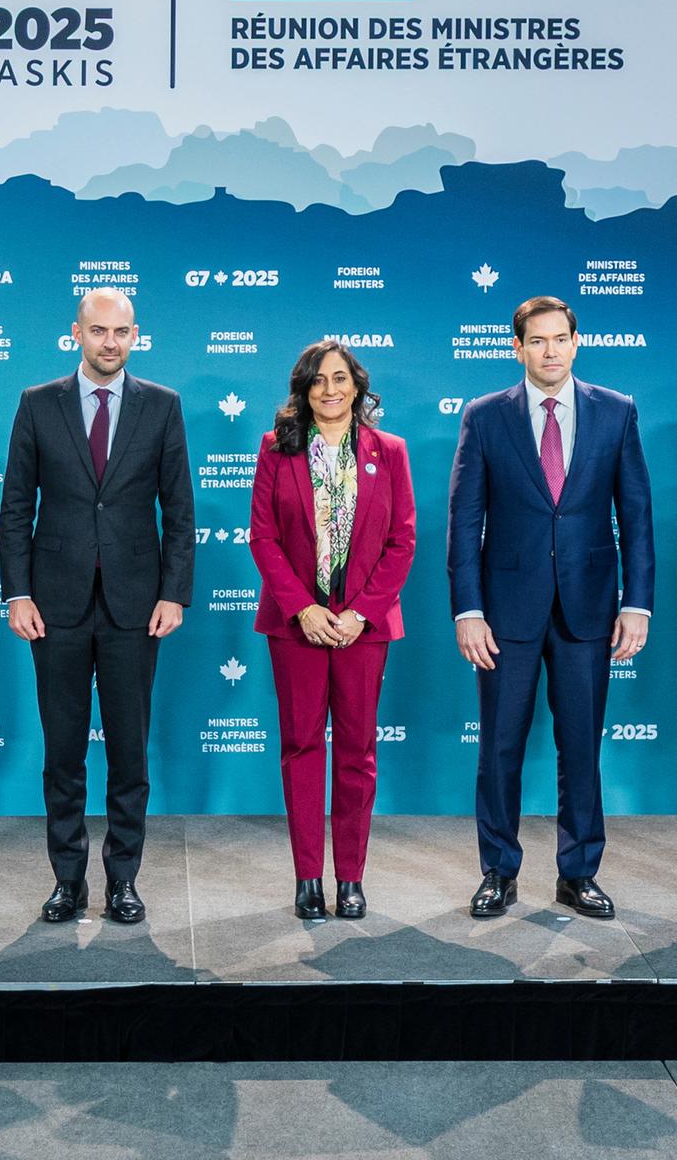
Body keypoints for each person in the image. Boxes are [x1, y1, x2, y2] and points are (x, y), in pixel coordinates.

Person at [448, 296, 654, 920]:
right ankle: (498, 872)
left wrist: (637, 603)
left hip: (589, 609)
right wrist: (468, 610)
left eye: (560, 338)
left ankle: (578, 872)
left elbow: (637, 516)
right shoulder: (485, 416)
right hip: (505, 613)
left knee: (581, 746)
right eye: (537, 341)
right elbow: (464, 521)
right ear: (517, 347)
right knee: (500, 748)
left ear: (576, 341)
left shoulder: (616, 411)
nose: (550, 350)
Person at [0, 289, 194, 925]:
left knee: (130, 754)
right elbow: (13, 508)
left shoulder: (162, 406)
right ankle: (67, 881)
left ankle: (123, 882)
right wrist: (18, 592)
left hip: (136, 607)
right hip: (53, 607)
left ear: (136, 336)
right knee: (62, 752)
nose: (110, 342)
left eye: (122, 332)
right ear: (75, 333)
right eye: (98, 331)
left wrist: (173, 592)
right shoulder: (36, 403)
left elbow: (180, 512)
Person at [250, 341, 415, 920]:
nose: (329, 390)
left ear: (357, 386)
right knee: (299, 748)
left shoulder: (388, 451)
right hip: (297, 626)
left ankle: (350, 878)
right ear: (303, 388)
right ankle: (308, 880)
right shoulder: (277, 448)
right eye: (318, 380)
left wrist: (358, 612)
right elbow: (263, 538)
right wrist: (304, 609)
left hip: (361, 629)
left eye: (340, 378)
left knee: (356, 752)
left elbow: (402, 542)